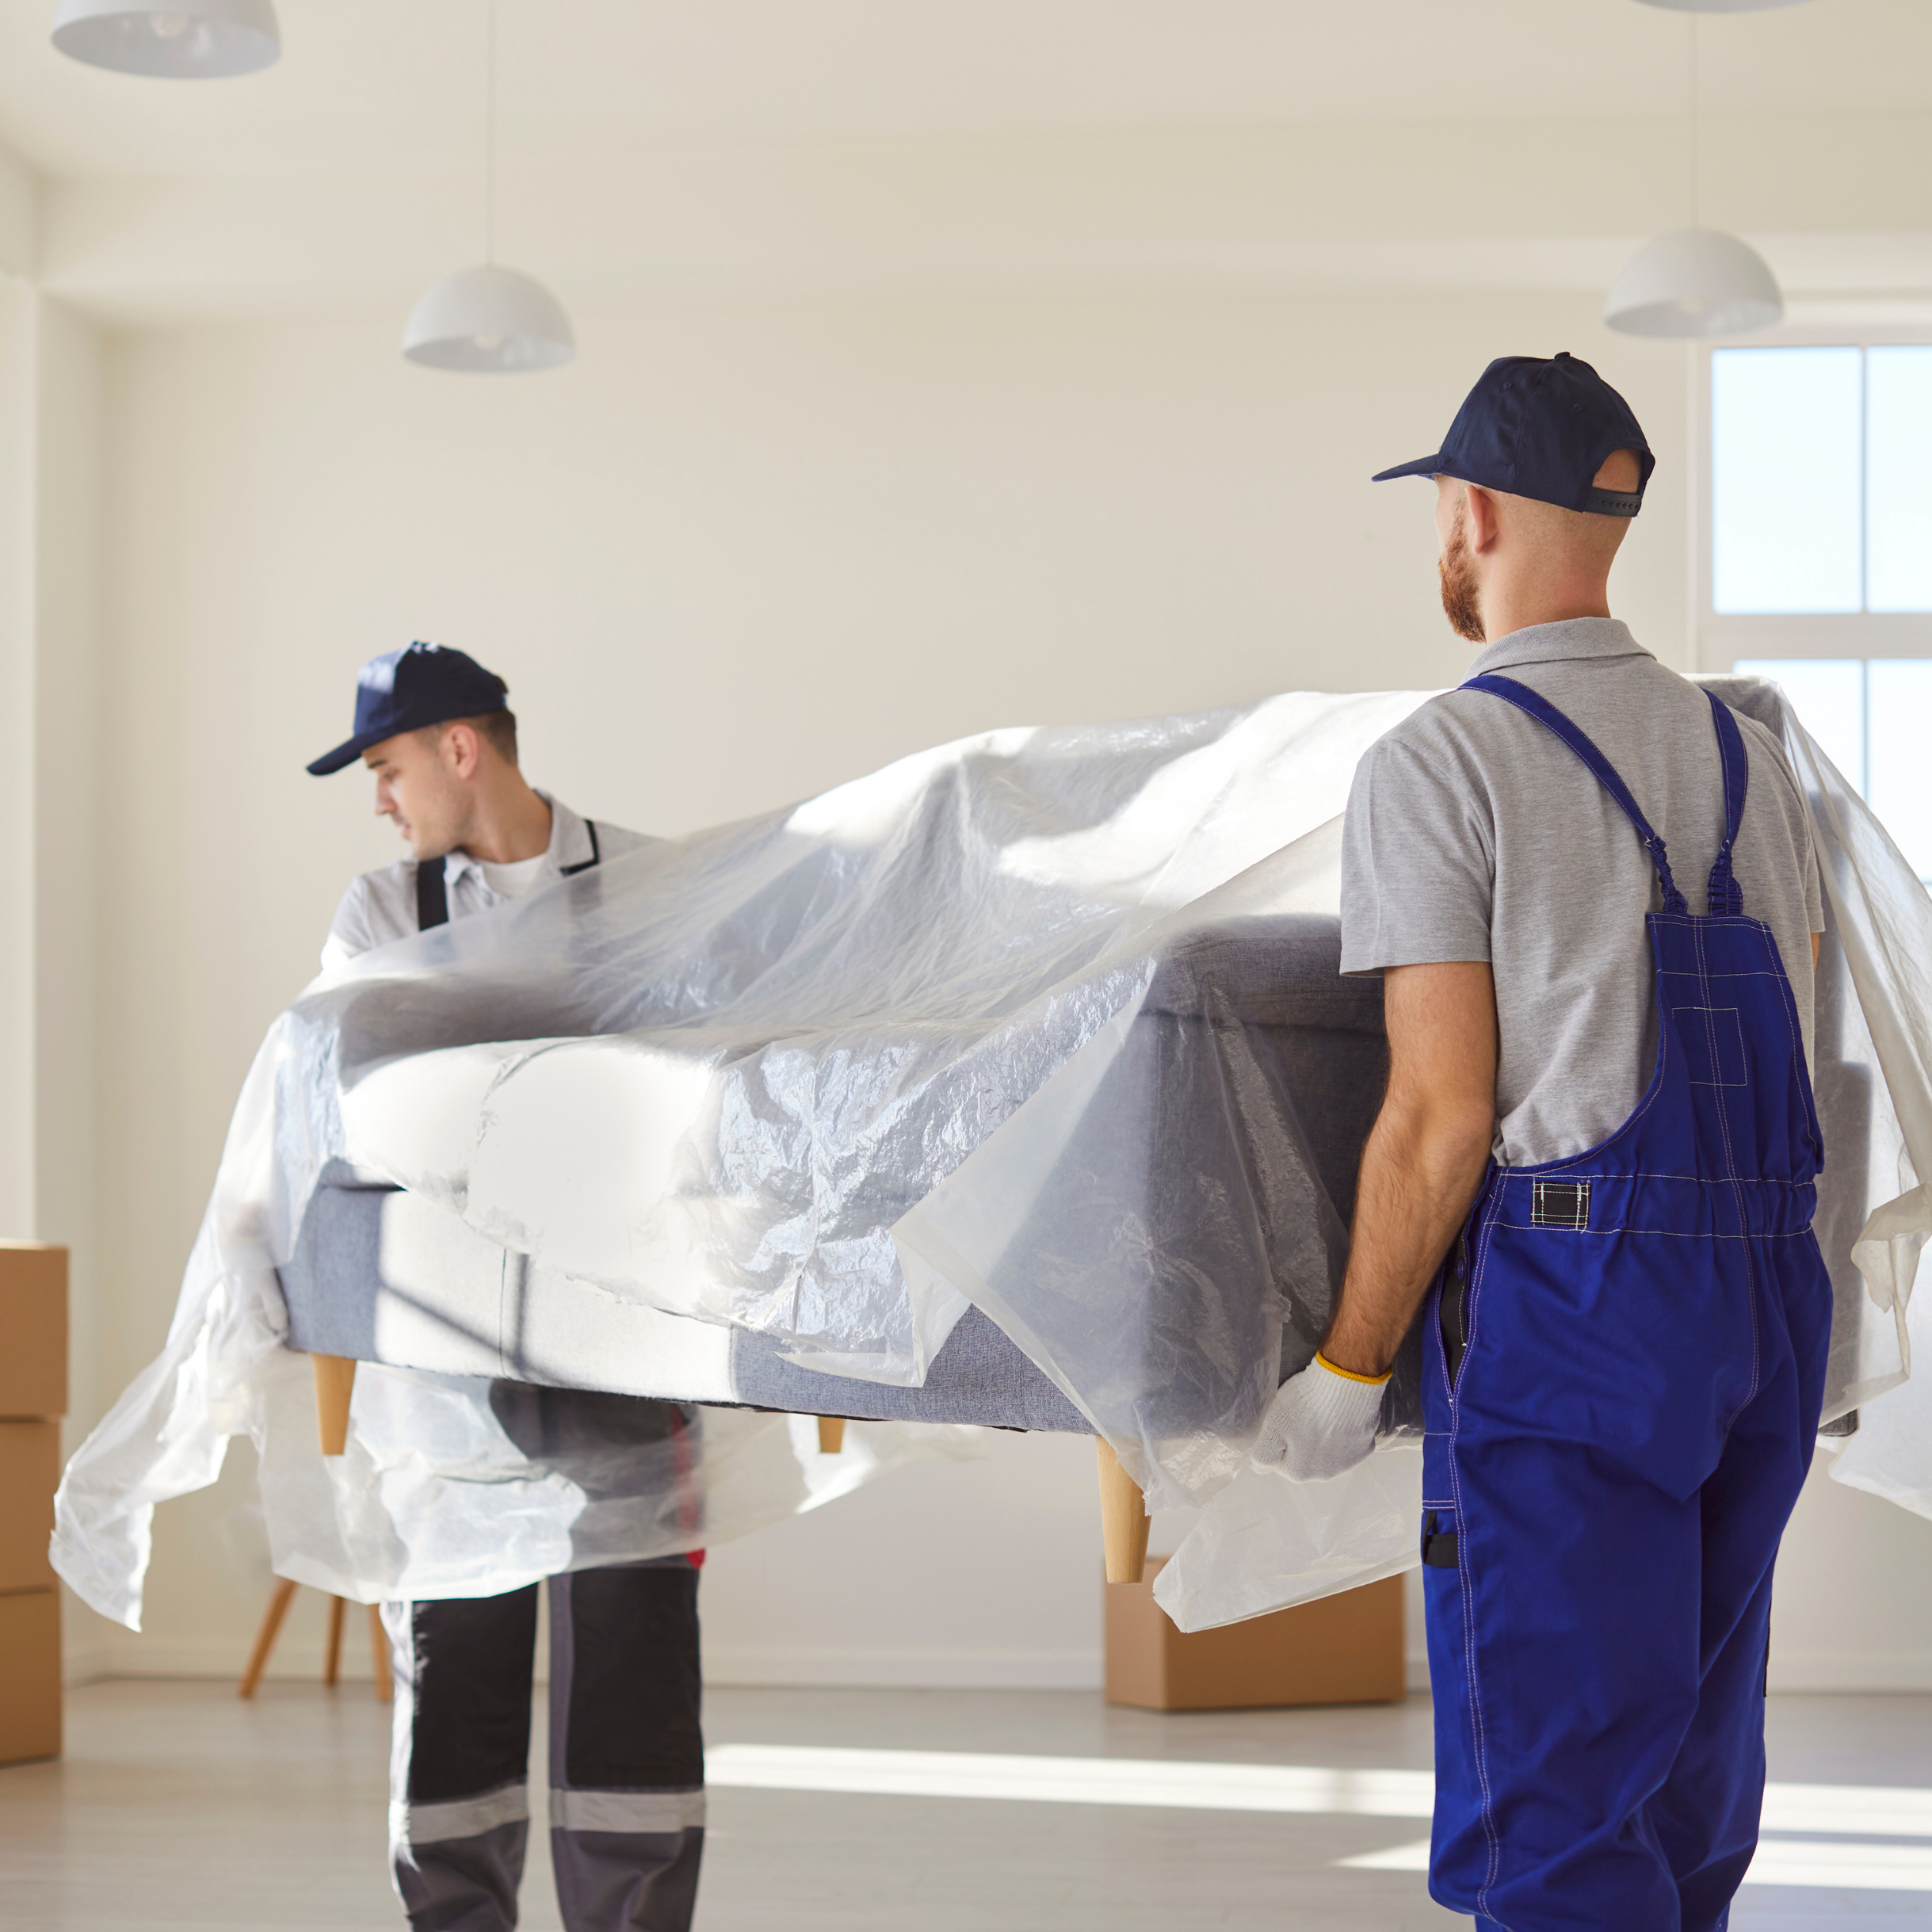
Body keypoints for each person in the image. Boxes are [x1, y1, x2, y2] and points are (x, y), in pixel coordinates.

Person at [1250, 354, 1829, 1929]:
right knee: (1687, 1797)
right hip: (1764, 1312)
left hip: (1577, 1322)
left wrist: (1347, 1364)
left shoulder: (1439, 764)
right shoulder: (1753, 760)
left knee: (1557, 1824)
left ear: (1472, 511)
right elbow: (1809, 1057)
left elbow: (1437, 1119)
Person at [308, 642, 706, 1932]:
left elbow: (704, 1089)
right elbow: (355, 1104)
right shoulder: (378, 915)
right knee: (458, 1666)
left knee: (634, 1657)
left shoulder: (651, 882)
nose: (381, 798)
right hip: (449, 1346)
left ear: (459, 745)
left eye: (386, 766)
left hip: (626, 1339)